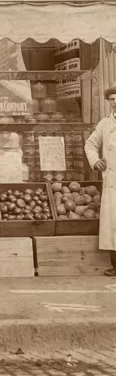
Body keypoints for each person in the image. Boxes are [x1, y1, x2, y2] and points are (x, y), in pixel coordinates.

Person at [85, 81, 116, 276]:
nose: (115, 103)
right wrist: (95, 161)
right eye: (112, 100)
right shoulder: (105, 123)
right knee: (114, 223)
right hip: (112, 180)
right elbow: (90, 144)